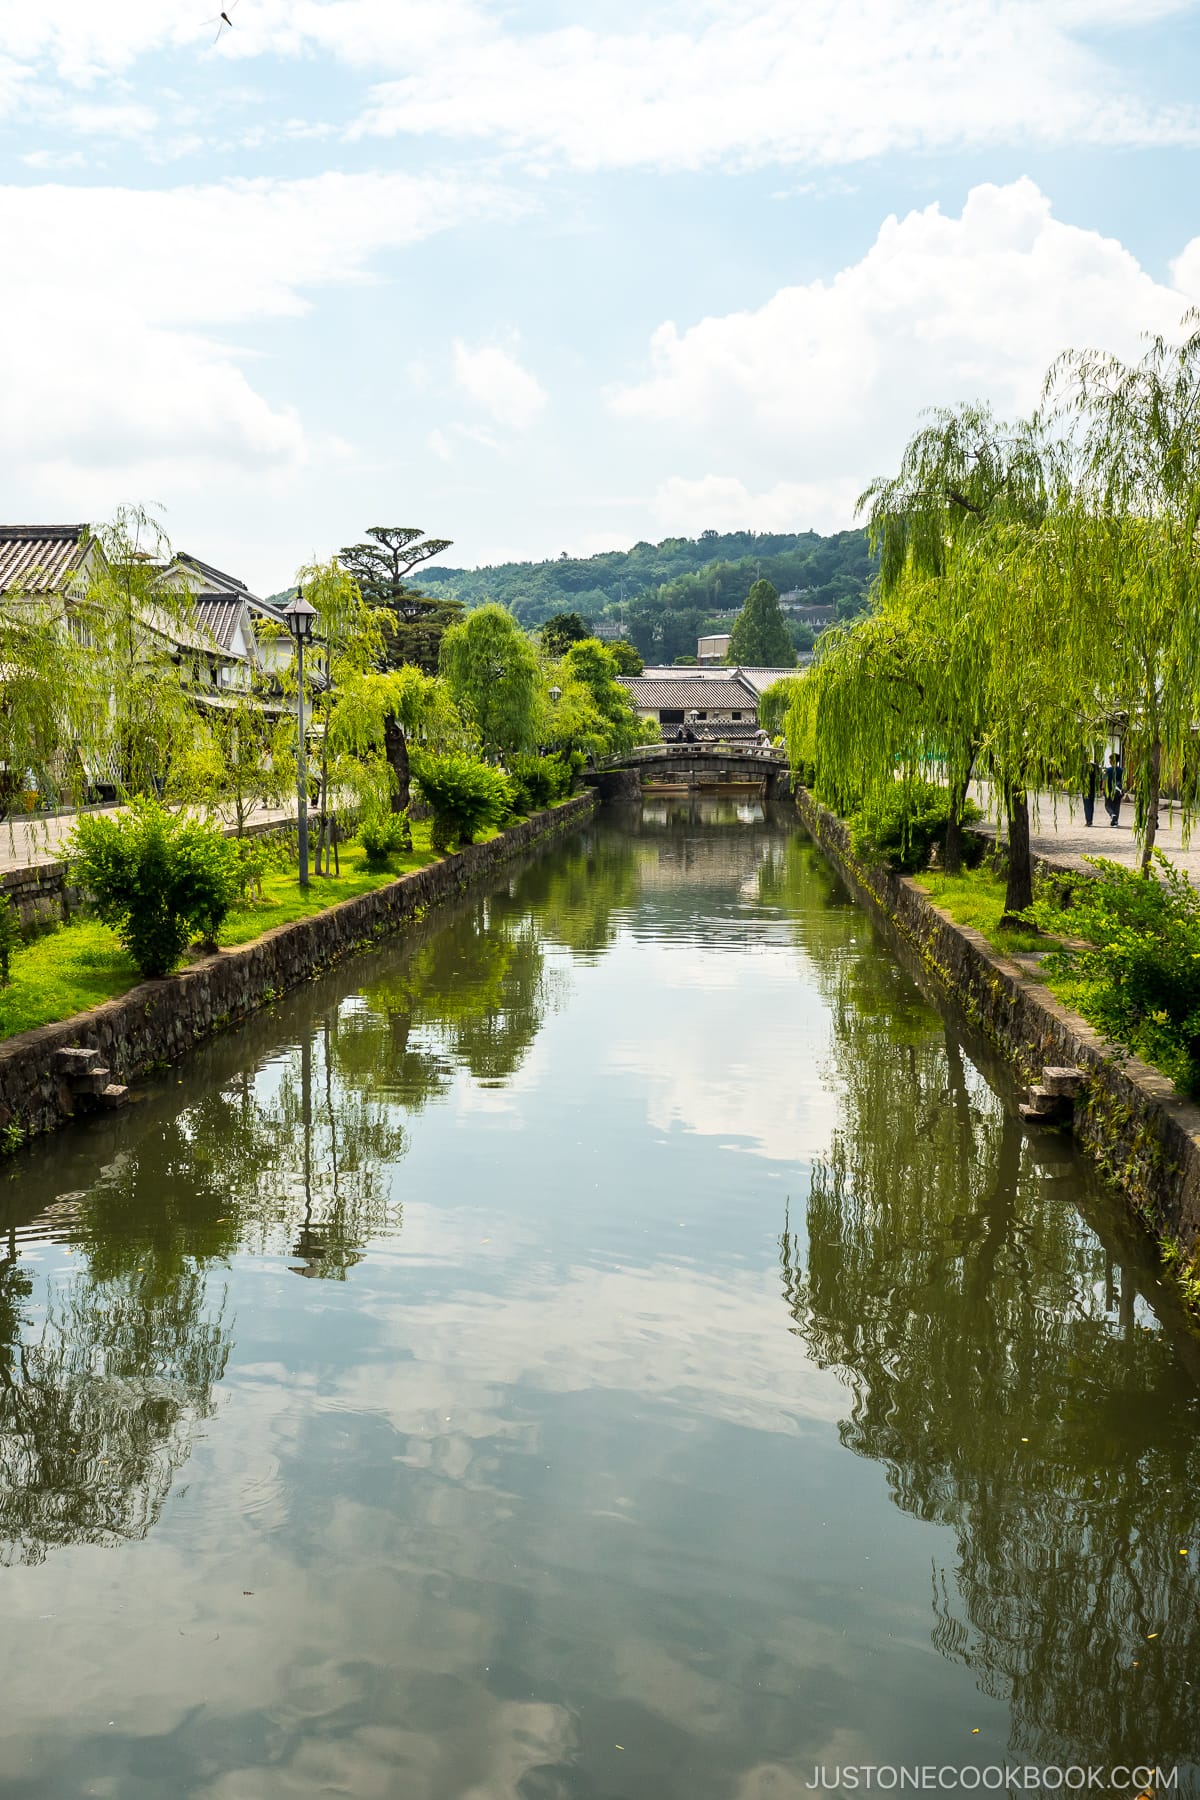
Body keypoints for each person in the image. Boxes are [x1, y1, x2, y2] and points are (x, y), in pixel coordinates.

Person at [1104, 758, 1123, 827]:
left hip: (1109, 790)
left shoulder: (1108, 770)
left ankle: (1112, 815)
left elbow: (1105, 780)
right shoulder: (1121, 770)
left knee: (1107, 805)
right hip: (1118, 791)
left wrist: (1102, 788)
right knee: (1116, 806)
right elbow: (1123, 780)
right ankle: (1115, 822)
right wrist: (1124, 790)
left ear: (1112, 761)